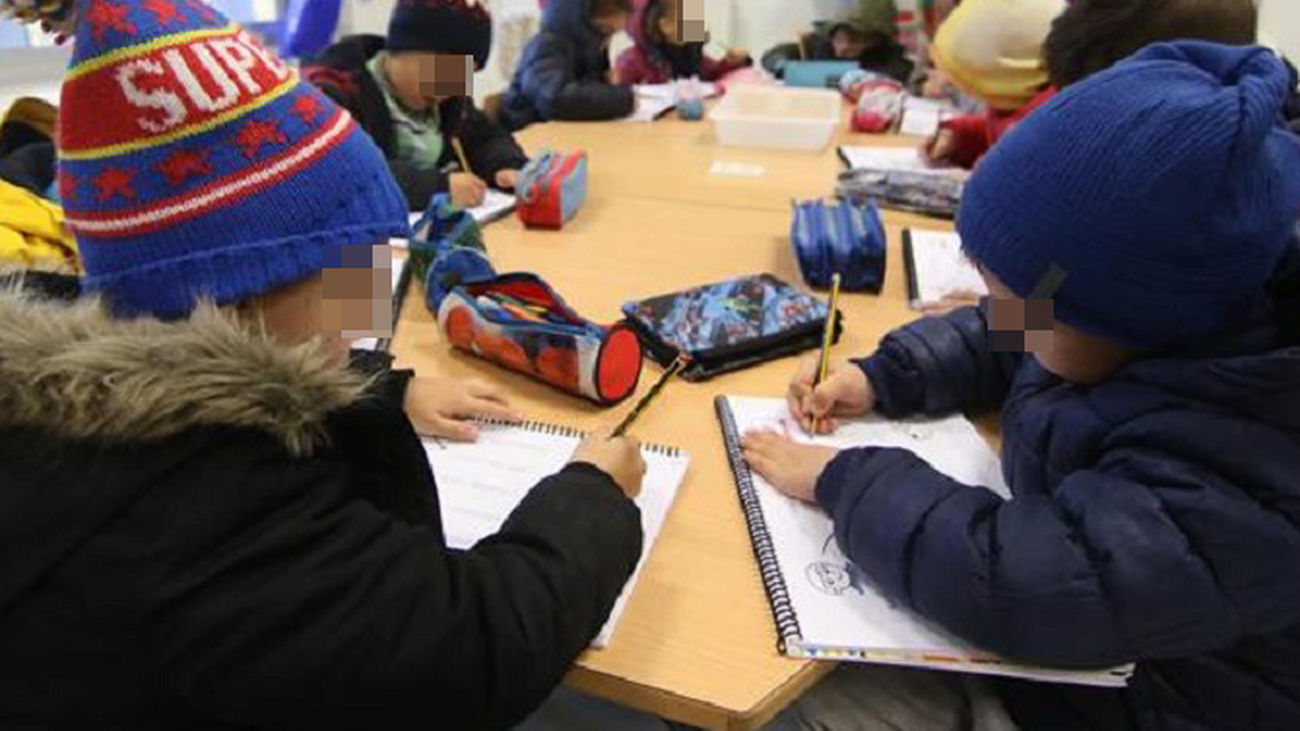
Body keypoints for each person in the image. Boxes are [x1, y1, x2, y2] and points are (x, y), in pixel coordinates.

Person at [0, 2, 647, 729]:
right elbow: (468, 645)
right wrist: (594, 493)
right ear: (244, 288)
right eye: (359, 268)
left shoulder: (89, 383)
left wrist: (385, 388)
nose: (370, 307)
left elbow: (237, 370)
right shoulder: (215, 517)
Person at [744, 42, 1300, 731]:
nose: (1002, 314)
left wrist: (844, 479)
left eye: (1018, 300)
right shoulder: (1136, 322)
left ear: (1124, 313)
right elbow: (1011, 329)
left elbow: (1027, 588)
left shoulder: (1246, 463)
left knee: (790, 701)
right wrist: (882, 376)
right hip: (1088, 651)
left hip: (1138, 698)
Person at [304, 0, 528, 212]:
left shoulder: (449, 99)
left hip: (406, 238)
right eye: (444, 69)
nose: (447, 88)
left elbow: (484, 136)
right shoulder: (330, 94)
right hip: (335, 249)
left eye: (463, 73)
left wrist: (506, 166)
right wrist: (436, 188)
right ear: (406, 45)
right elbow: (336, 171)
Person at [920, 0, 1065, 170]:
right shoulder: (1020, 92)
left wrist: (996, 171)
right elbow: (995, 130)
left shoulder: (1056, 115)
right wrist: (960, 137)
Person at [501, 0, 635, 131]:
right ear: (587, 22)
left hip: (559, 131)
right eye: (607, 30)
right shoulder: (547, 46)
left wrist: (609, 86)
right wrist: (622, 98)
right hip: (529, 135)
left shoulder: (589, 47)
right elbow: (554, 100)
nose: (607, 39)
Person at [760, 0, 913, 85]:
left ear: (875, 40)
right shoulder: (820, 43)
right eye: (839, 39)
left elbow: (902, 75)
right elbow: (774, 55)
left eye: (855, 40)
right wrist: (782, 66)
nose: (842, 48)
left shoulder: (890, 59)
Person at [614, 0, 751, 86]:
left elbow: (712, 75)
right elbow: (621, 98)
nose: (700, 21)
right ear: (666, 25)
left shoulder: (693, 55)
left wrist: (730, 62)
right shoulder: (631, 62)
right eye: (690, 15)